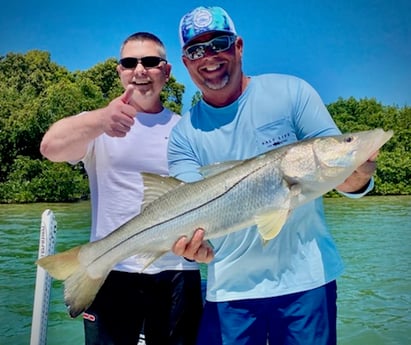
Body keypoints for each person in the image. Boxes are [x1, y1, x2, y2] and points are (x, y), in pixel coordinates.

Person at [168, 6, 379, 345]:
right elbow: (187, 210)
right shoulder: (183, 134)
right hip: (229, 292)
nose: (208, 56)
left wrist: (359, 165)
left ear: (238, 46)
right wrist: (192, 248)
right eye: (196, 49)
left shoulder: (291, 93)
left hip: (306, 284)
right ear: (186, 61)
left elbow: (349, 179)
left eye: (219, 43)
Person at [40, 32, 203, 345]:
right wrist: (101, 120)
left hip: (178, 270)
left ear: (166, 71)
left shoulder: (188, 130)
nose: (139, 70)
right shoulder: (97, 124)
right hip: (111, 270)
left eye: (150, 62)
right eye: (130, 62)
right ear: (120, 71)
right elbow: (50, 147)